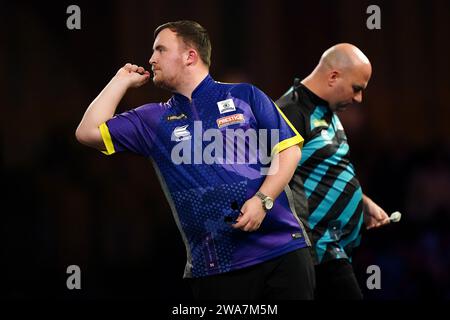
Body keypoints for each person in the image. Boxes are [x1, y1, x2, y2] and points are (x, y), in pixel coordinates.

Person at [75, 20, 315, 300]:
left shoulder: (245, 95)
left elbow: (289, 151)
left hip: (282, 251)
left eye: (160, 50)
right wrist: (120, 80)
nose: (151, 59)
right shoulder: (152, 119)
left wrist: (263, 200)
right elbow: (87, 132)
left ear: (190, 56)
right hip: (215, 265)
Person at [276, 43, 390, 299]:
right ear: (333, 77)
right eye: (356, 89)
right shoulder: (290, 112)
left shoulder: (328, 110)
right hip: (314, 251)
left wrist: (362, 201)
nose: (359, 98)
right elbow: (272, 179)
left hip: (335, 248)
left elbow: (324, 169)